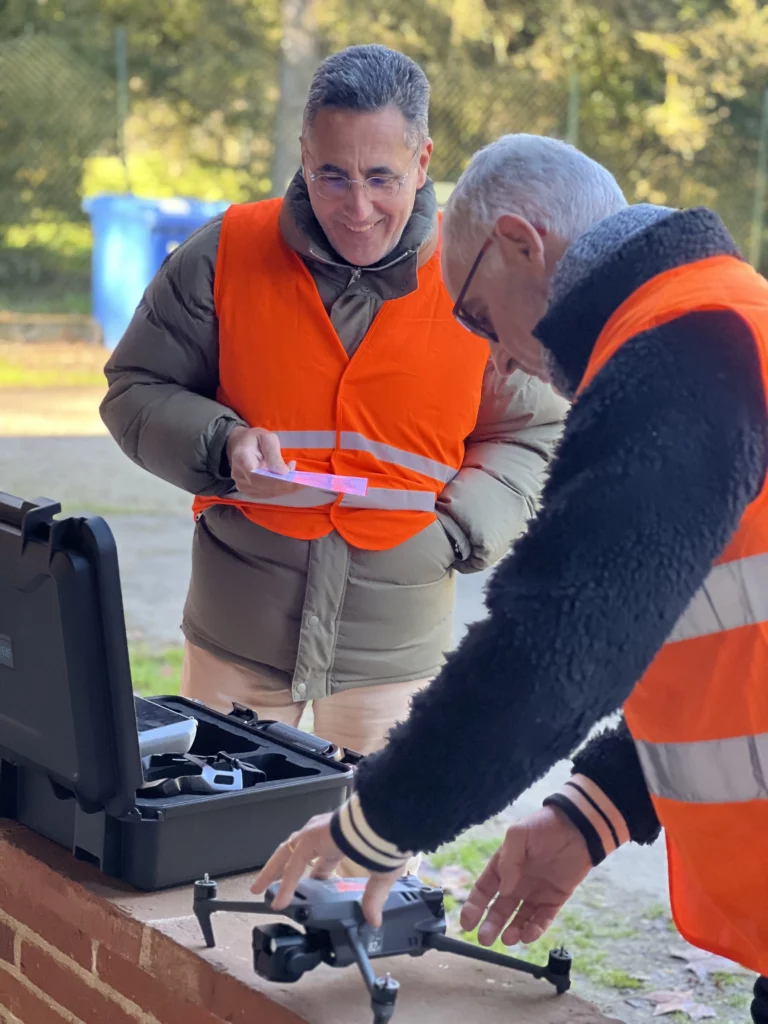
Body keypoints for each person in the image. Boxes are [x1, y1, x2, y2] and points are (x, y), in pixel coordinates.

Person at [252, 134, 768, 1020]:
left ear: (524, 244)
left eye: (483, 318)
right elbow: (722, 641)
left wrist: (376, 822)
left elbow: (559, 639)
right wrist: (594, 809)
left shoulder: (684, 348)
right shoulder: (718, 321)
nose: (494, 359)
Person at [100, 52, 567, 763]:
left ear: (423, 159)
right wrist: (220, 443)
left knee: (368, 870)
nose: (356, 208)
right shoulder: (224, 254)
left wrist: (457, 530)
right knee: (214, 860)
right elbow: (135, 387)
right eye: (332, 176)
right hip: (237, 636)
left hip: (396, 652)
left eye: (381, 177)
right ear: (303, 155)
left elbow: (533, 431)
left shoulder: (477, 277)